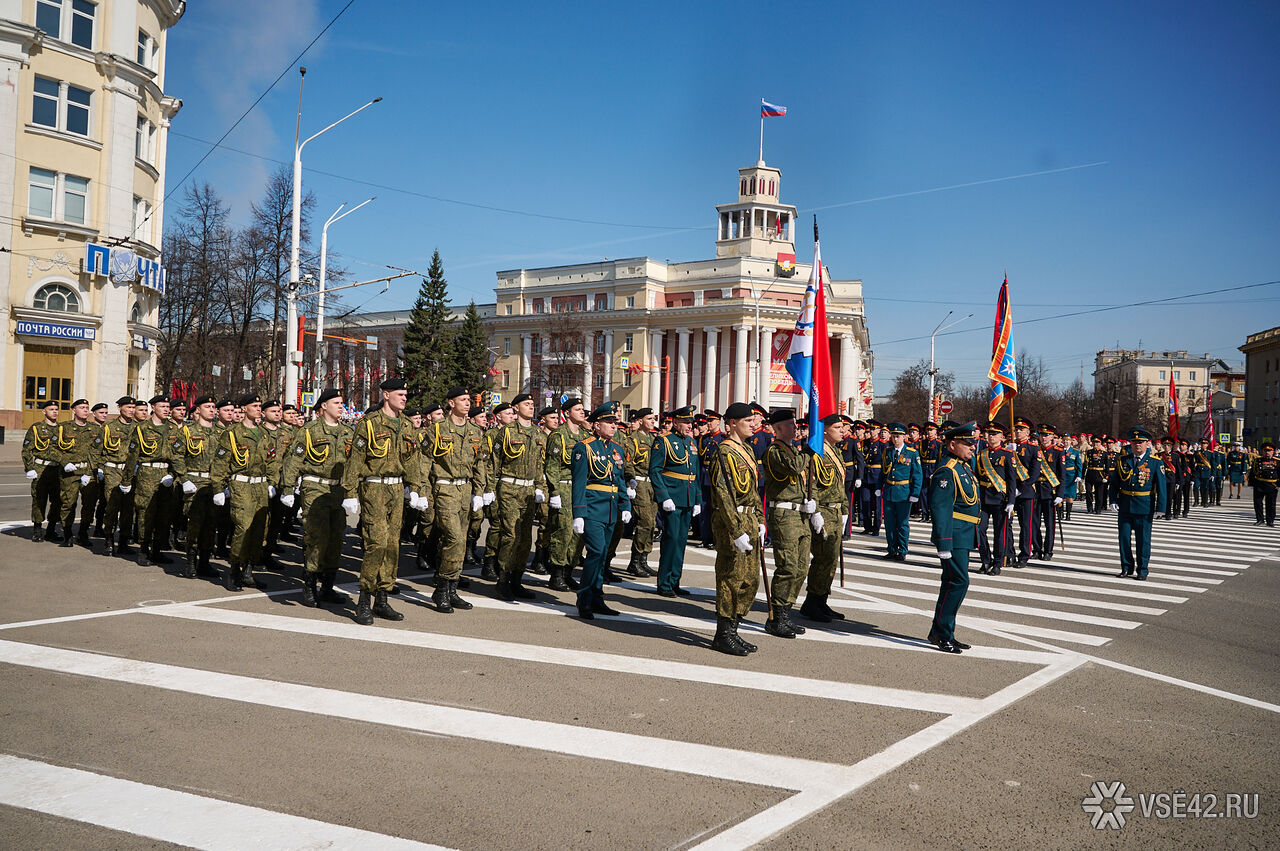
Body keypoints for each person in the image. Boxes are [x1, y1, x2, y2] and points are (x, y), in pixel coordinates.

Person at [341, 377, 426, 624]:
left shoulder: (407, 426)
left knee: (392, 545)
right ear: (386, 395)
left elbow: (412, 460)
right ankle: (364, 600)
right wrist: (349, 493)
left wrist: (416, 489)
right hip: (374, 488)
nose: (404, 398)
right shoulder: (369, 423)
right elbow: (355, 460)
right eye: (400, 394)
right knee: (376, 543)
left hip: (397, 490)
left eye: (406, 395)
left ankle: (382, 598)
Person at [281, 389, 354, 607]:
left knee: (335, 538)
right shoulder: (309, 430)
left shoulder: (348, 432)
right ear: (323, 406)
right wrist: (287, 488)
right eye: (336, 402)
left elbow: (354, 464)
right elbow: (294, 460)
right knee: (316, 537)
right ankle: (310, 586)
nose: (341, 406)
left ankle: (328, 587)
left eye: (342, 402)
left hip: (338, 491)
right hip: (315, 487)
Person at [421, 387, 486, 613]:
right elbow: (424, 461)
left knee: (460, 539)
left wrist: (480, 491)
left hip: (465, 489)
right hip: (444, 488)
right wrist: (421, 492)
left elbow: (480, 464)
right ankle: (441, 587)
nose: (468, 403)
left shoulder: (475, 431)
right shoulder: (438, 429)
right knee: (454, 538)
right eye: (463, 400)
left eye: (469, 400)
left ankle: (451, 588)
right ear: (451, 403)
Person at [708, 402, 765, 656]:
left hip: (750, 520)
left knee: (749, 580)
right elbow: (723, 495)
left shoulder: (748, 451)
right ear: (731, 423)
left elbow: (753, 492)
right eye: (747, 421)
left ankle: (734, 628)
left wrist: (761, 521)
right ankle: (723, 634)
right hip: (733, 524)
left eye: (753, 420)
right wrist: (735, 530)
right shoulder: (724, 452)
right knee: (730, 578)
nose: (753, 424)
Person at [570, 402, 632, 619]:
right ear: (596, 425)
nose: (614, 425)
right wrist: (578, 513)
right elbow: (578, 483)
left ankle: (597, 598)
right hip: (592, 508)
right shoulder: (584, 447)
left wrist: (625, 504)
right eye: (609, 422)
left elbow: (620, 480)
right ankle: (584, 599)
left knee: (603, 554)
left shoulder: (617, 449)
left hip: (611, 509)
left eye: (615, 422)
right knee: (596, 552)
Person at [926, 421, 982, 654]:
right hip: (954, 535)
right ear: (952, 444)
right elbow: (941, 508)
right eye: (967, 443)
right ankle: (942, 632)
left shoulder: (963, 467)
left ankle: (942, 631)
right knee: (958, 582)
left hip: (964, 534)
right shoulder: (947, 471)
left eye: (973, 443)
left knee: (953, 583)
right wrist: (943, 542)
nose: (972, 447)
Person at [210, 394, 272, 591]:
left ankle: (248, 571)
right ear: (244, 409)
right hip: (241, 485)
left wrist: (272, 483)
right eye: (254, 406)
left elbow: (270, 461)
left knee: (259, 530)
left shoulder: (263, 434)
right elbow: (220, 464)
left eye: (260, 406)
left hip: (260, 486)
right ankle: (234, 571)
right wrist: (218, 488)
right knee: (243, 529)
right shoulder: (232, 434)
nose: (258, 409)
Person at [491, 393, 546, 601]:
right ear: (515, 408)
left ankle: (516, 579)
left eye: (533, 404)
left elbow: (541, 464)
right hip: (509, 488)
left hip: (530, 491)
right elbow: (494, 462)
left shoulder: (539, 434)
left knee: (525, 539)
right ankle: (502, 580)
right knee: (510, 535)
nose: (531, 407)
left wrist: (540, 487)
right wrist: (490, 489)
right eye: (527, 404)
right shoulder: (506, 432)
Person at [799, 413, 851, 625]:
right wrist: (815, 512)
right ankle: (812, 602)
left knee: (831, 560)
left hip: (836, 512)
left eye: (842, 427)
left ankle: (821, 600)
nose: (842, 430)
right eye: (838, 427)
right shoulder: (817, 452)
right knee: (823, 559)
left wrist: (845, 510)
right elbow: (811, 483)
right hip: (824, 511)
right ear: (825, 429)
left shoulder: (836, 452)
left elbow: (840, 485)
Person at [762, 409, 810, 637]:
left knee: (801, 567)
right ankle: (775, 618)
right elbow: (794, 468)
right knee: (787, 566)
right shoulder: (773, 451)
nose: (796, 427)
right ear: (778, 428)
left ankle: (786, 611)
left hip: (799, 515)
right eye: (791, 424)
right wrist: (809, 451)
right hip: (783, 515)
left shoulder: (793, 449)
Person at [649, 405, 700, 597]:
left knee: (681, 541)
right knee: (670, 540)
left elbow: (693, 473)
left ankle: (675, 580)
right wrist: (664, 496)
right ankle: (664, 583)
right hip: (672, 498)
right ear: (675, 423)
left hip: (687, 497)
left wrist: (697, 500)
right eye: (686, 422)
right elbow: (655, 470)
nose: (689, 425)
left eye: (690, 422)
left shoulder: (691, 443)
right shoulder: (663, 441)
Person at [170, 395, 220, 578]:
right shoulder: (187, 431)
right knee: (195, 525)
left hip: (213, 484)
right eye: (208, 406)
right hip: (194, 483)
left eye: (213, 406)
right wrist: (184, 479)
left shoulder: (220, 432)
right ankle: (190, 562)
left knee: (210, 525)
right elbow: (176, 456)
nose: (212, 409)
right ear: (197, 410)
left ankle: (205, 562)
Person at [1108, 426, 1167, 580]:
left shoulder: (1155, 462)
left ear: (1148, 443)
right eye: (1134, 442)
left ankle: (1142, 569)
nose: (1137, 445)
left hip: (1144, 506)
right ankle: (1126, 567)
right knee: (1124, 539)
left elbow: (1161, 486)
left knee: (1143, 540)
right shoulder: (1123, 460)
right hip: (1125, 505)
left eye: (1140, 442)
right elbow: (1114, 483)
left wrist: (1161, 507)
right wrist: (1113, 500)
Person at [126, 395, 176, 566]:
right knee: (145, 513)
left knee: (164, 515)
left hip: (166, 475)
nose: (166, 409)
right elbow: (132, 457)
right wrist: (126, 480)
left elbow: (178, 455)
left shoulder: (173, 429)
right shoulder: (142, 429)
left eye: (168, 406)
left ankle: (157, 550)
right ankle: (143, 549)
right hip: (147, 473)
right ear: (153, 407)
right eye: (162, 406)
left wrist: (174, 474)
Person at [544, 398, 588, 592]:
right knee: (563, 531)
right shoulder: (558, 436)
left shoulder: (586, 436)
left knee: (578, 534)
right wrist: (554, 492)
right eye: (577, 409)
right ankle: (557, 573)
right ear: (567, 413)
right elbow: (552, 466)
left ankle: (569, 571)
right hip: (563, 487)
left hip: (581, 489)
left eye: (582, 409)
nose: (582, 412)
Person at [53, 399, 97, 548]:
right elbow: (52, 449)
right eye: (81, 407)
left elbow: (99, 451)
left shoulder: (95, 429)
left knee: (89, 505)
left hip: (88, 472)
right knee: (68, 503)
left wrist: (92, 470)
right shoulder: (63, 428)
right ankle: (67, 534)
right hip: (70, 473)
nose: (85, 410)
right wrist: (64, 462)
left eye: (87, 407)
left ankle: (83, 533)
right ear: (73, 410)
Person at [974, 421, 1016, 575]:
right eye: (989, 433)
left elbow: (1012, 480)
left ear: (1002, 437)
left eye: (994, 434)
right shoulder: (981, 454)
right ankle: (985, 560)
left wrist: (1011, 500)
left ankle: (998, 562)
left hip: (1000, 499)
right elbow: (977, 477)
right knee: (979, 530)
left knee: (1000, 533)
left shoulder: (1008, 455)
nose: (990, 436)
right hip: (984, 498)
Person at [623, 408, 660, 579]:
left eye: (654, 418)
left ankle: (644, 559)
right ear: (640, 421)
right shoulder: (633, 440)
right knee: (644, 522)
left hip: (652, 484)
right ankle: (635, 561)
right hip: (639, 483)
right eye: (649, 418)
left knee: (652, 523)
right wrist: (630, 481)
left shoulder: (654, 439)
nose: (653, 421)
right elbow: (628, 462)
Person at [878, 423, 922, 561]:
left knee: (902, 523)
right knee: (890, 523)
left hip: (904, 493)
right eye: (893, 436)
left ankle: (902, 550)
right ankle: (891, 549)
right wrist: (879, 487)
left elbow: (917, 475)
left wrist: (915, 493)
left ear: (904, 437)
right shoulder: (887, 452)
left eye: (898, 436)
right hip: (890, 491)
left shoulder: (912, 453)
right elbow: (883, 472)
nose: (895, 439)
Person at [22, 399, 63, 542]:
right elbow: (27, 450)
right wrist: (29, 468)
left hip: (57, 469)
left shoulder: (62, 429)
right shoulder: (36, 428)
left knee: (58, 500)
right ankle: (37, 529)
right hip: (40, 468)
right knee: (39, 500)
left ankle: (51, 529)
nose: (55, 412)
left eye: (56, 409)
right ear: (44, 411)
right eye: (51, 409)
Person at [1010, 417, 1041, 567]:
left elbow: (1034, 475)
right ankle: (1008, 553)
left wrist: (1020, 489)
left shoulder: (1033, 450)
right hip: (1008, 490)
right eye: (1016, 429)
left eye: (1021, 429)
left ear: (1028, 432)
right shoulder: (1008, 447)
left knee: (1025, 525)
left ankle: (1024, 555)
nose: (1017, 431)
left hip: (1025, 492)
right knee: (1005, 524)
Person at [78, 402, 109, 540]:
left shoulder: (109, 428)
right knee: (89, 502)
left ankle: (98, 527)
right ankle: (83, 531)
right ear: (94, 414)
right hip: (91, 469)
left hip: (106, 470)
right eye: (101, 413)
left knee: (104, 502)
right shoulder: (90, 429)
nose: (104, 415)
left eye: (106, 413)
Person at [1032, 425, 1064, 560]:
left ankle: (1048, 550)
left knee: (1049, 523)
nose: (1043, 437)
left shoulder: (1058, 452)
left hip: (1050, 491)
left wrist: (1060, 494)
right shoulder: (1035, 450)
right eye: (1041, 435)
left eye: (1046, 435)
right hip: (1035, 490)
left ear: (1052, 437)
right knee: (1034, 522)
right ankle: (1037, 549)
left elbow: (1062, 475)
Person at [1248, 442, 1277, 526]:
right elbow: (1253, 472)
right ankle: (1260, 519)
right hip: (1259, 484)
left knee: (1271, 504)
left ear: (1273, 451)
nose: (1267, 452)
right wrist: (1252, 483)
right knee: (1258, 503)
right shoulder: (1258, 460)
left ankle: (1270, 520)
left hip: (1272, 485)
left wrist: (1277, 485)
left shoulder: (1277, 461)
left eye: (1269, 450)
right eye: (1265, 450)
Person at [1061, 434, 1084, 520]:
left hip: (1071, 475)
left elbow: (1079, 464)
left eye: (1067, 440)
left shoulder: (1075, 451)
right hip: (1061, 475)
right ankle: (1060, 513)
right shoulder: (1059, 450)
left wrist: (1079, 475)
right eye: (1064, 440)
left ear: (1071, 441)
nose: (1065, 442)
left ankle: (1068, 514)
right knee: (1061, 494)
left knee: (1069, 495)